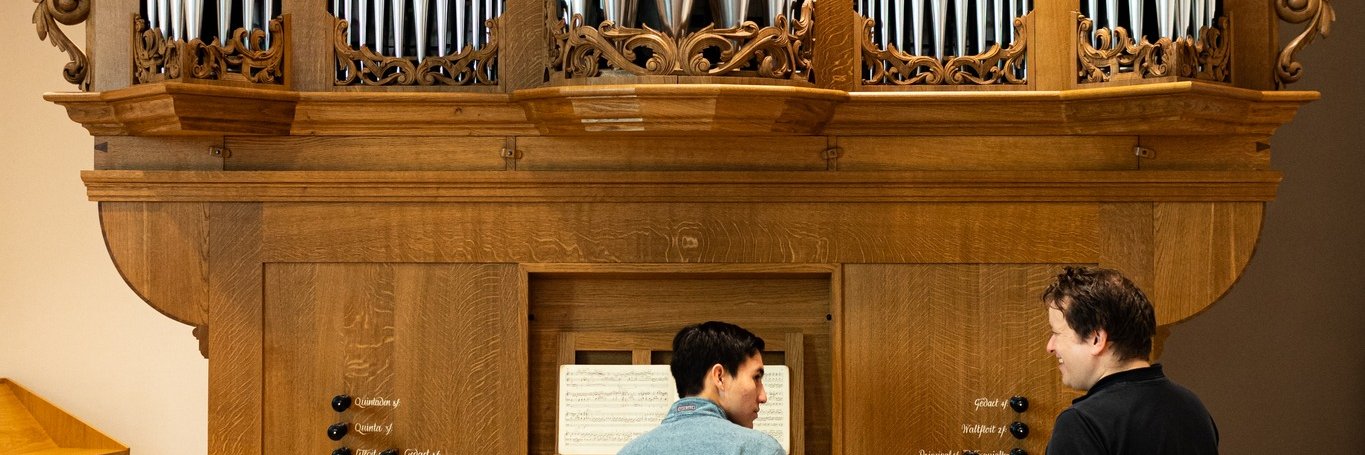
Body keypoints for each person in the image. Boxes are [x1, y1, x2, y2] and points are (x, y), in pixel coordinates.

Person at [1042, 266, 1219, 454]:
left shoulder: (1082, 424)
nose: (1050, 346)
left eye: (1056, 333)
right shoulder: (1193, 408)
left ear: (1096, 339)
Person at [617, 321, 785, 455]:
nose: (763, 396)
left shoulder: (629, 451)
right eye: (756, 377)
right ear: (719, 376)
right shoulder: (760, 449)